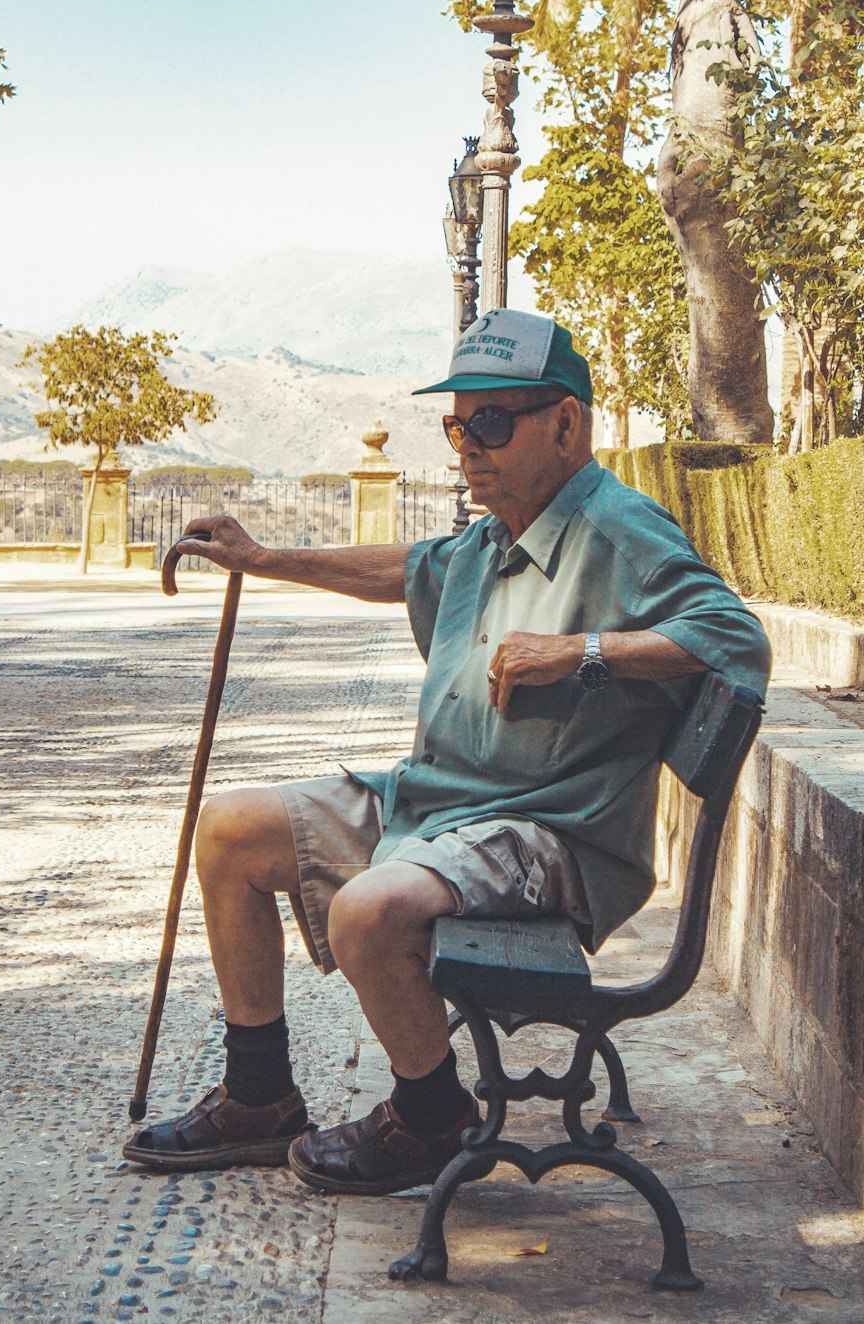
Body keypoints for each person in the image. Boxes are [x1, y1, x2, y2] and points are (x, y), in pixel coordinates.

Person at [123, 308, 771, 1194]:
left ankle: (430, 1120)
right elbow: (409, 568)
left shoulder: (619, 529)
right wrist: (263, 558)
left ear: (567, 425)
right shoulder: (495, 533)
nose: (469, 446)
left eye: (493, 424)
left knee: (368, 912)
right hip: (440, 804)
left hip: (545, 830)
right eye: (457, 425)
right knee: (230, 828)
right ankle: (259, 1096)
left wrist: (579, 651)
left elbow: (734, 636)